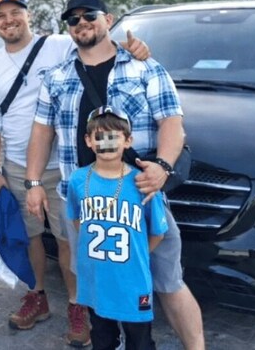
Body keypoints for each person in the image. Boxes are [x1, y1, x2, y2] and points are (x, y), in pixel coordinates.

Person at [25, 0, 206, 350]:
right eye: (73, 19)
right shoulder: (56, 76)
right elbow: (42, 131)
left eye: (89, 15)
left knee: (168, 281)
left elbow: (171, 122)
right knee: (94, 281)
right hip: (84, 199)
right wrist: (33, 182)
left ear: (108, 19)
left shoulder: (145, 67)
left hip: (140, 196)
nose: (81, 23)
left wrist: (163, 167)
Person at [0, 0, 148, 347]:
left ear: (28, 15)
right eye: (1, 16)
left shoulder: (58, 44)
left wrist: (136, 48)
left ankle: (77, 305)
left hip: (62, 164)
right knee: (29, 236)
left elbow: (99, 48)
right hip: (17, 164)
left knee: (68, 239)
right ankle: (37, 295)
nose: (9, 20)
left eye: (15, 12)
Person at [66, 107, 168, 350]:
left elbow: (158, 232)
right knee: (102, 338)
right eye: (99, 137)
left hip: (132, 280)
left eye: (114, 136)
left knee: (140, 341)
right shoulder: (78, 179)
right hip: (96, 280)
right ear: (88, 141)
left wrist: (137, 252)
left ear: (128, 140)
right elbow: (78, 220)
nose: (107, 143)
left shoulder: (142, 182)